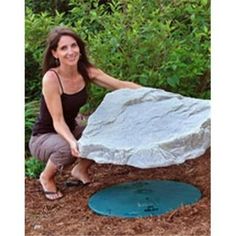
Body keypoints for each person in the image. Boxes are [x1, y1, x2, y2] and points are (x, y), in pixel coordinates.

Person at [29, 26, 141, 200]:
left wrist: (154, 92)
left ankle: (80, 169)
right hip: (44, 137)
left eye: (74, 46)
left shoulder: (86, 71)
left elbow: (120, 84)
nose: (71, 51)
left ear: (80, 48)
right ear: (55, 53)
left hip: (71, 128)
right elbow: (57, 121)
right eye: (63, 48)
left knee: (108, 131)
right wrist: (73, 142)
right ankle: (46, 177)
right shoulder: (51, 79)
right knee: (67, 148)